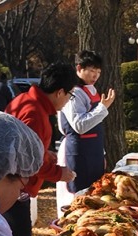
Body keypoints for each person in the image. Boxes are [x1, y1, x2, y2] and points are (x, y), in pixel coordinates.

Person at [5, 61, 78, 236]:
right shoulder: (34, 112)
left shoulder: (25, 100)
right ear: (60, 92)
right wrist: (59, 174)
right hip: (14, 192)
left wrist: (46, 153)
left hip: (13, 189)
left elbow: (25, 147)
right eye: (70, 95)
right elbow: (27, 160)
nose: (67, 101)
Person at [57, 50, 115, 202]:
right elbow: (79, 125)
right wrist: (103, 108)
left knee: (95, 194)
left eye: (98, 71)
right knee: (76, 198)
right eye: (91, 70)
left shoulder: (91, 90)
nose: (95, 75)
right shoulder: (73, 93)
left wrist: (100, 153)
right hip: (76, 152)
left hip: (93, 151)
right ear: (79, 69)